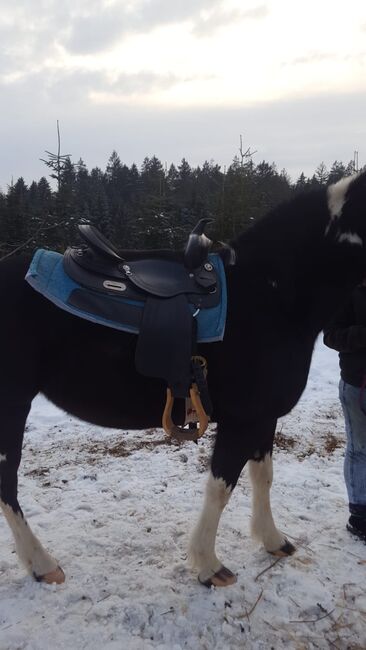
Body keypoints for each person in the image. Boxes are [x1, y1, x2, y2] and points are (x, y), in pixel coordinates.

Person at [323, 283, 366, 543]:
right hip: (357, 385)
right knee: (360, 449)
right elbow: (331, 336)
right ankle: (359, 515)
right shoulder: (347, 290)